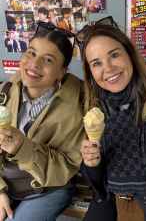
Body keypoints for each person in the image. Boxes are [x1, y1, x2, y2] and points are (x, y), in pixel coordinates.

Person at [79, 21, 146, 221]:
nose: (108, 68)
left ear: (130, 55)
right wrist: (93, 163)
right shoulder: (97, 106)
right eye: (96, 63)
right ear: (90, 71)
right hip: (111, 198)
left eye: (114, 55)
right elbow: (97, 185)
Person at [0, 22, 84, 221]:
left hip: (49, 187)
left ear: (62, 72)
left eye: (48, 60)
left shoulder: (77, 106)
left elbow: (66, 168)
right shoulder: (5, 91)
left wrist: (22, 147)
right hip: (8, 180)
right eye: (31, 53)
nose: (34, 64)